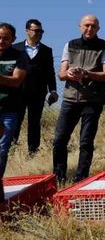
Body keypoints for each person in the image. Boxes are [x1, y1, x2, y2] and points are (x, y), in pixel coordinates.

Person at [53, 14, 105, 183]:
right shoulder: (70, 45)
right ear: (80, 26)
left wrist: (87, 73)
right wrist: (69, 73)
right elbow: (61, 73)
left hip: (92, 100)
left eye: (93, 26)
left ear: (98, 29)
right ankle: (58, 177)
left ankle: (81, 179)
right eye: (86, 25)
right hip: (70, 98)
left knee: (86, 141)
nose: (89, 29)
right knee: (59, 139)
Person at [12, 19, 58, 155]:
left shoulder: (46, 50)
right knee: (15, 121)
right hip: (17, 91)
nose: (39, 33)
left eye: (41, 31)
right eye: (36, 31)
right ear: (27, 31)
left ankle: (33, 151)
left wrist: (53, 90)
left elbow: (50, 72)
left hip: (38, 92)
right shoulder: (15, 48)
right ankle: (11, 149)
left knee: (34, 122)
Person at [0, 22, 27, 199]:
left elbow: (16, 80)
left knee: (2, 149)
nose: (1, 41)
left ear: (13, 39)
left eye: (5, 38)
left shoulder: (20, 56)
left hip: (8, 110)